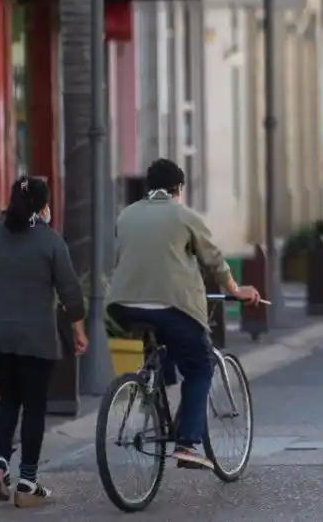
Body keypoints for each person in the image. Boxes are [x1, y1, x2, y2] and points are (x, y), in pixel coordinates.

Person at [106, 158, 262, 469]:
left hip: (122, 306)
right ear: (178, 188)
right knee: (200, 366)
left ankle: (151, 381)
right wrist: (234, 289)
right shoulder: (184, 216)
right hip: (172, 306)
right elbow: (214, 260)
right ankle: (186, 442)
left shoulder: (126, 216)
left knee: (165, 343)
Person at [0, 176, 87, 508]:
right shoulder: (51, 241)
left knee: (9, 399)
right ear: (44, 206)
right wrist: (78, 330)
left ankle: (1, 463)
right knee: (34, 406)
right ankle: (27, 483)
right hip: (34, 338)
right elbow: (70, 291)